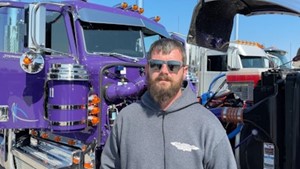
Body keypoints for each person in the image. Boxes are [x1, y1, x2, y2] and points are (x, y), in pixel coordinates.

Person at [100, 38, 237, 169]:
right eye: (156, 65)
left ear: (184, 72)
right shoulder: (126, 119)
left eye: (173, 66)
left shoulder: (207, 124)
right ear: (147, 69)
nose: (164, 71)